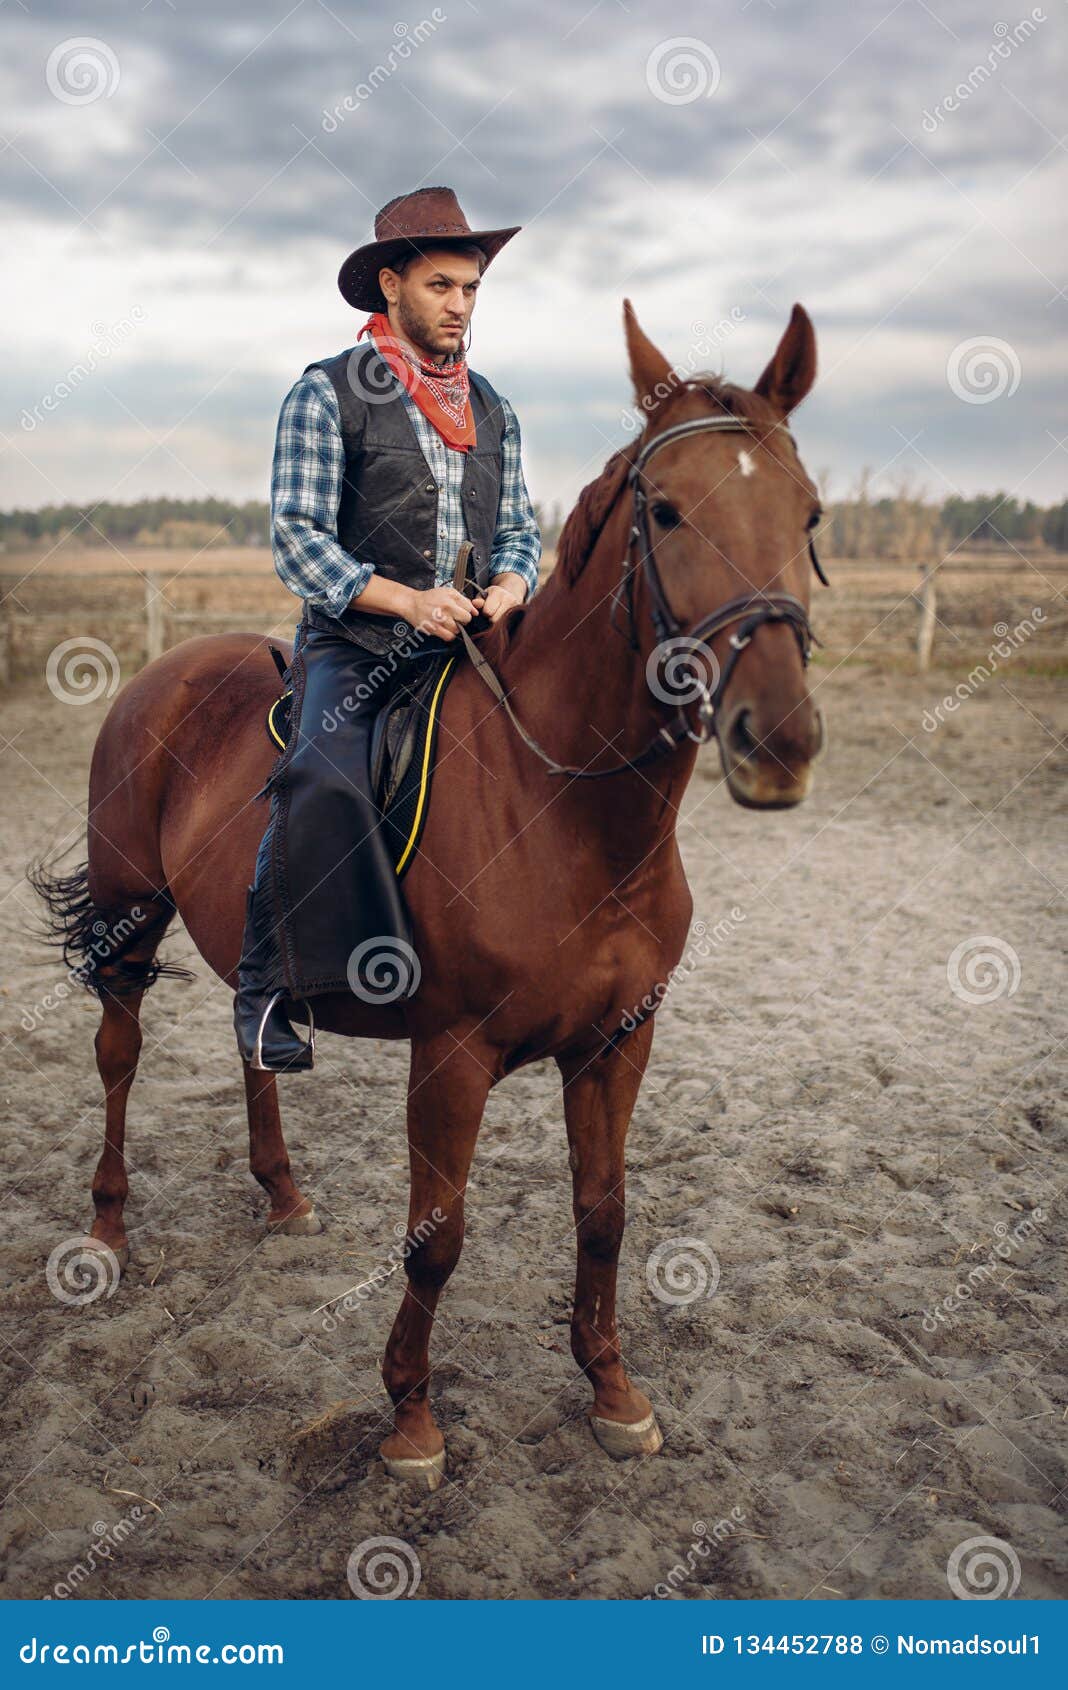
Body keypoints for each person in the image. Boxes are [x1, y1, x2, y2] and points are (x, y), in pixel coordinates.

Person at [234, 186, 541, 1071]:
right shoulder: (326, 392)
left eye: (471, 289)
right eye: (441, 286)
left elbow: (518, 526)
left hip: (473, 642)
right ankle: (263, 994)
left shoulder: (493, 405)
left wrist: (515, 579)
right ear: (392, 285)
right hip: (358, 643)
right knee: (324, 777)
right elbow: (298, 541)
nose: (459, 306)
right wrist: (406, 601)